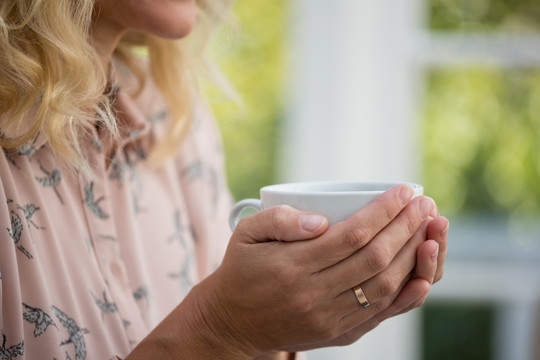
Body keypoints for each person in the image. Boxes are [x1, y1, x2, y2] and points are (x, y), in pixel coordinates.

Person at [0, 0, 449, 359]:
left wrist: (282, 327)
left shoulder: (175, 120)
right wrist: (220, 330)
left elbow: (251, 334)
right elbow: (228, 330)